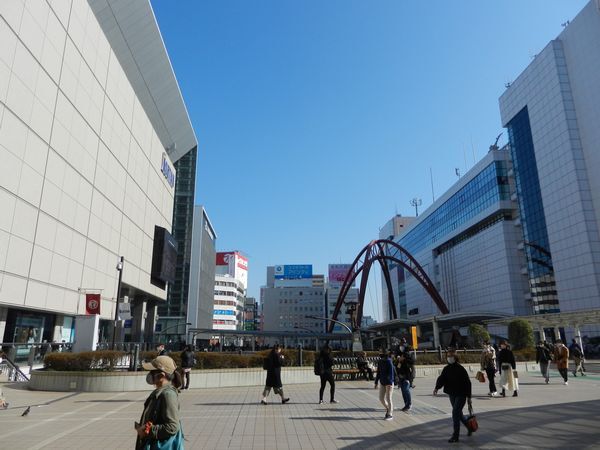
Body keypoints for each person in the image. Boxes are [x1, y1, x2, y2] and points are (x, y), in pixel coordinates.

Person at [135, 355, 183, 450]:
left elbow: (172, 427)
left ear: (161, 375)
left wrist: (146, 430)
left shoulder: (168, 395)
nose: (150, 374)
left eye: (152, 372)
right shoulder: (160, 392)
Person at [433, 348, 473, 443]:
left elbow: (468, 383)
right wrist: (436, 388)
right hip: (452, 394)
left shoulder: (460, 369)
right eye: (448, 356)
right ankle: (469, 426)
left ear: (455, 357)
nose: (449, 358)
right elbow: (442, 379)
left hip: (461, 394)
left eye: (451, 356)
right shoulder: (446, 369)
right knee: (459, 414)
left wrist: (469, 397)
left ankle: (455, 436)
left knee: (455, 413)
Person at [374, 350, 395, 420]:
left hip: (389, 383)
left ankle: (390, 414)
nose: (379, 354)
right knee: (381, 398)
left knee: (388, 398)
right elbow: (378, 372)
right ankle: (388, 408)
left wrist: (389, 383)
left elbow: (391, 373)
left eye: (381, 353)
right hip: (382, 382)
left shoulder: (389, 361)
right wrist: (376, 382)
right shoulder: (380, 361)